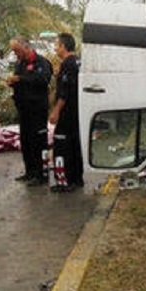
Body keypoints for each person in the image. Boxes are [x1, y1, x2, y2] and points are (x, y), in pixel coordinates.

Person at [6, 37, 52, 186]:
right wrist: (12, 82)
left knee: (38, 142)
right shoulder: (20, 64)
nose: (15, 54)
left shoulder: (42, 63)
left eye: (17, 51)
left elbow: (42, 80)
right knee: (26, 141)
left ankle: (41, 174)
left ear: (26, 48)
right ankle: (30, 171)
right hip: (24, 109)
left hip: (37, 110)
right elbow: (20, 81)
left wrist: (20, 79)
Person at [49, 33, 83, 192]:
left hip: (67, 113)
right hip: (77, 112)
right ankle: (77, 179)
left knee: (62, 146)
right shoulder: (78, 62)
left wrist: (55, 111)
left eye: (56, 45)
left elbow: (64, 92)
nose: (55, 48)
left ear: (63, 46)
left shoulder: (67, 64)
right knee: (75, 145)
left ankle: (65, 181)